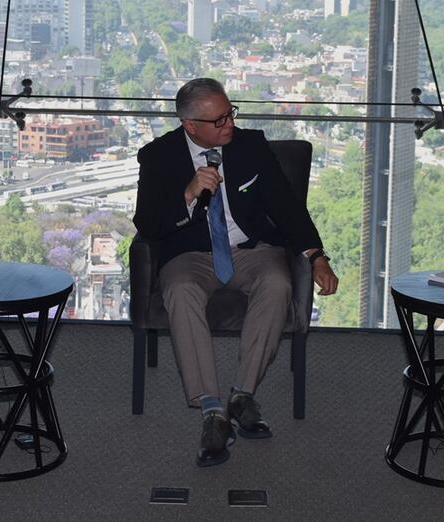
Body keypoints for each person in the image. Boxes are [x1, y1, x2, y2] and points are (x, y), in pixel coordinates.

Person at [133, 78, 339, 467]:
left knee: (277, 283)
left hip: (250, 249)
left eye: (231, 113)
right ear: (190, 125)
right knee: (179, 291)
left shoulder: (251, 146)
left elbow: (287, 208)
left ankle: (242, 394)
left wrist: (316, 256)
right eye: (220, 120)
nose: (230, 123)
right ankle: (212, 411)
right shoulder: (159, 156)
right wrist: (187, 194)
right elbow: (147, 224)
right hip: (190, 253)